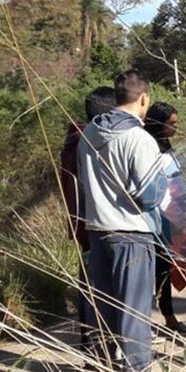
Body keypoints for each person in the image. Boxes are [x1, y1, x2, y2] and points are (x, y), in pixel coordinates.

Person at [77, 70, 166, 372]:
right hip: (132, 235)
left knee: (100, 311)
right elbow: (152, 195)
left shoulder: (89, 133)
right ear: (144, 99)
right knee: (134, 313)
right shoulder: (140, 139)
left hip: (97, 232)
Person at [58, 86, 115, 349]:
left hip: (80, 220)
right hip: (97, 221)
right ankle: (98, 342)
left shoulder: (74, 138)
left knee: (88, 283)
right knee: (100, 286)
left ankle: (88, 339)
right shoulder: (92, 140)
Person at [144, 102, 186, 336]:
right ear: (158, 124)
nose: (175, 128)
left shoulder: (166, 147)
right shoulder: (148, 148)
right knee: (154, 269)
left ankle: (168, 317)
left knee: (165, 269)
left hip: (171, 217)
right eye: (171, 124)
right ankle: (147, 320)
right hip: (159, 218)